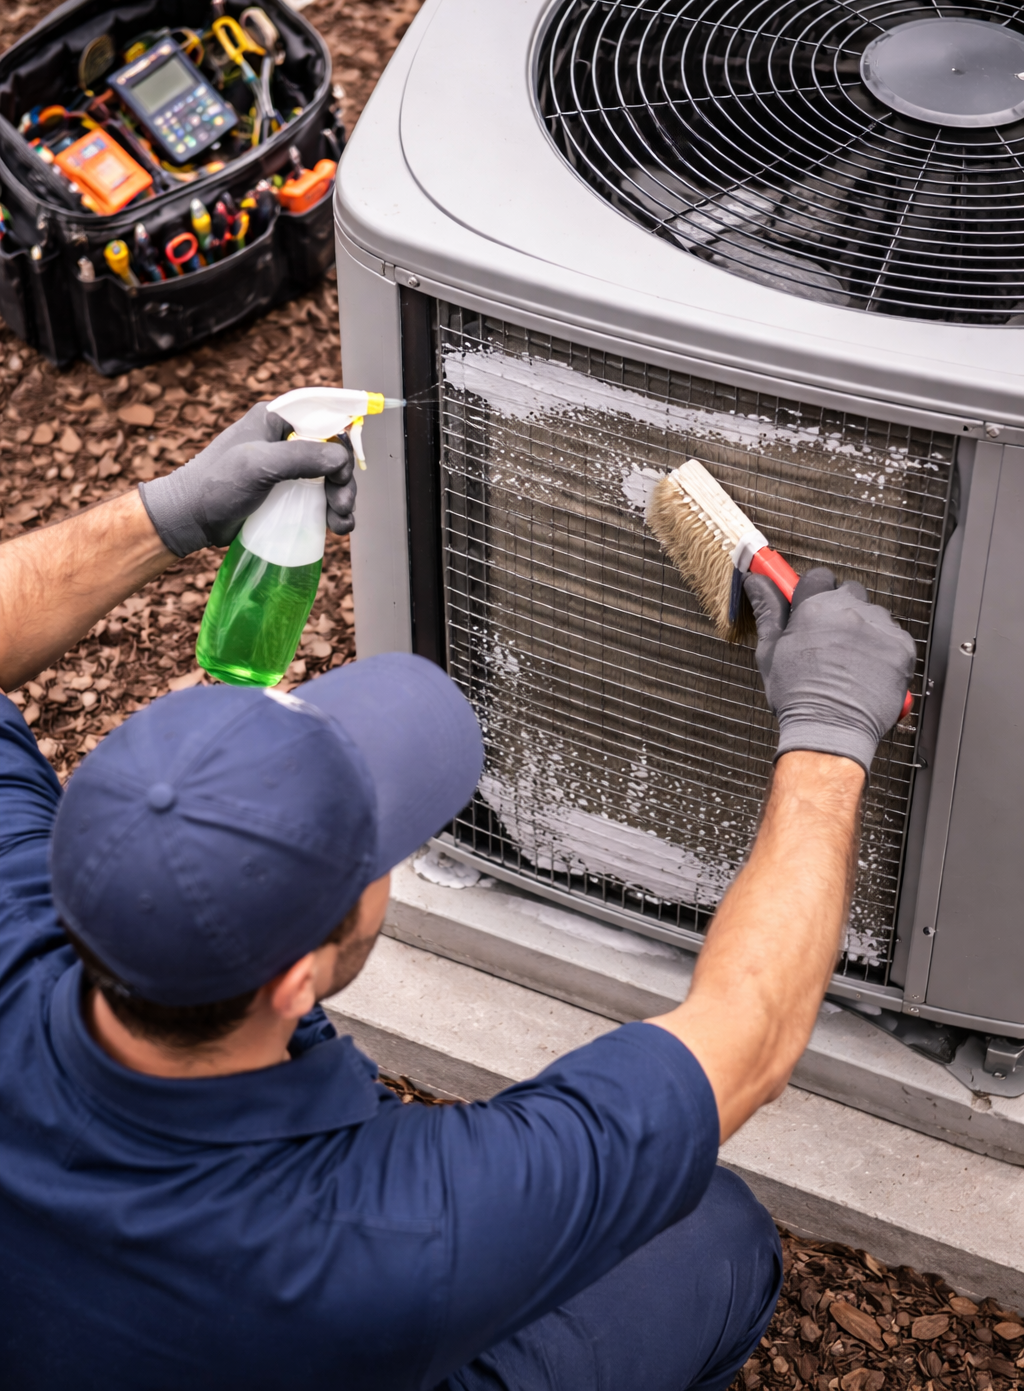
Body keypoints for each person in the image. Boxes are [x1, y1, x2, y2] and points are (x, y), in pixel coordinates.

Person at [0, 402, 916, 1391]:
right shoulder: (393, 1237)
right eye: (376, 842)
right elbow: (752, 1033)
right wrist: (826, 737)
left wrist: (165, 516)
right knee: (713, 1235)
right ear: (294, 980)